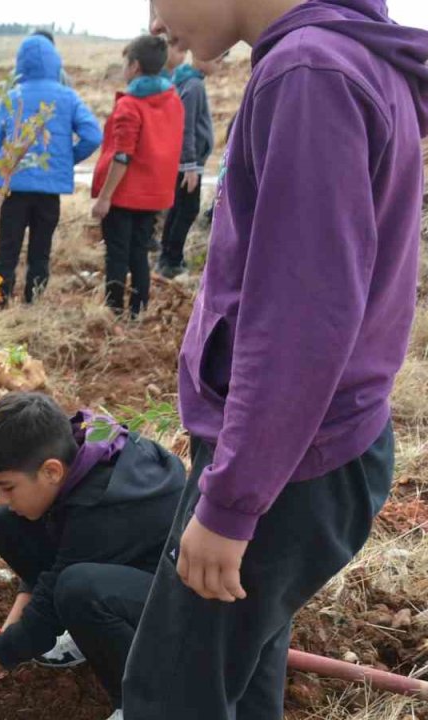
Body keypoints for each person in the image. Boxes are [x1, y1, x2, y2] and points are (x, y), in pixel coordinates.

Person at [124, 0, 427, 717]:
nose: (156, 24)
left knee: (171, 696)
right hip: (303, 449)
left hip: (290, 463)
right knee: (244, 680)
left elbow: (300, 318)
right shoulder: (339, 60)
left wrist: (230, 503)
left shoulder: (308, 72)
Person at [0, 393, 185, 720]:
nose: (2, 498)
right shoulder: (80, 446)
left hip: (185, 605)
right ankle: (88, 632)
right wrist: (2, 637)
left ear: (51, 471)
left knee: (78, 590)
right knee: (6, 523)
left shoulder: (103, 508)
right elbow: (53, 564)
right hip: (126, 568)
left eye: (8, 487)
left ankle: (143, 702)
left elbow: (38, 628)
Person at [0, 34, 102, 306]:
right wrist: (65, 160)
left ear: (20, 64)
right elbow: (93, 135)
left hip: (15, 188)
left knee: (7, 250)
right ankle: (33, 303)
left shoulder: (12, 97)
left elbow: (1, 140)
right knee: (41, 251)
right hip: (49, 192)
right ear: (55, 62)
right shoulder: (68, 97)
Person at [90, 35, 183, 317]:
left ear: (135, 66)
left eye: (126, 63)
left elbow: (122, 155)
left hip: (124, 194)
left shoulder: (130, 105)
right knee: (139, 253)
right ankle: (138, 312)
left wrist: (104, 197)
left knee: (117, 254)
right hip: (154, 194)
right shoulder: (173, 100)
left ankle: (114, 311)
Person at [156, 52, 219, 278]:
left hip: (186, 161)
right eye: (217, 59)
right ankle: (171, 260)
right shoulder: (193, 86)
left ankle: (168, 257)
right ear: (200, 58)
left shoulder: (189, 81)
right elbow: (186, 126)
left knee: (179, 207)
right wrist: (191, 164)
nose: (218, 65)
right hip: (188, 164)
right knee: (187, 209)